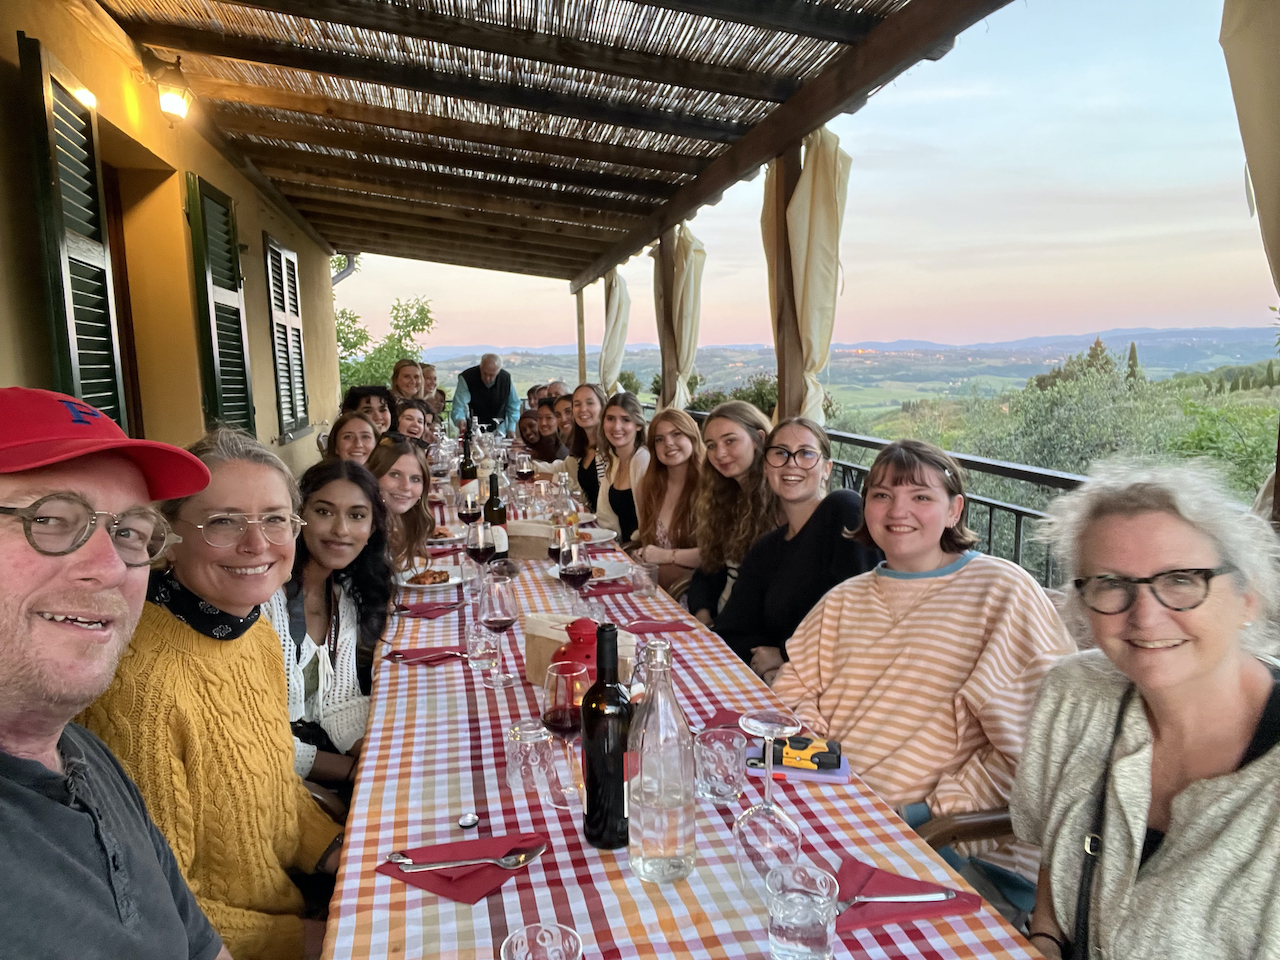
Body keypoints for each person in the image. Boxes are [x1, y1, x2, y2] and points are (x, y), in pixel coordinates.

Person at [79, 428, 344, 960]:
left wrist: (339, 850)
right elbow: (158, 905)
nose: (257, 544)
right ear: (167, 536)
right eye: (223, 522)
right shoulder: (138, 690)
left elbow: (275, 791)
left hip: (301, 903)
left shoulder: (254, 631)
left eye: (275, 519)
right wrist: (314, 940)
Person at [771, 439, 1073, 883]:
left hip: (942, 848)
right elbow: (793, 688)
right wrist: (819, 763)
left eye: (921, 497)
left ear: (955, 510)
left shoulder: (1000, 591)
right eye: (882, 495)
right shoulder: (844, 598)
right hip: (829, 813)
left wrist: (929, 815)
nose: (898, 511)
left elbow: (1037, 747)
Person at [1012, 461, 1280, 960]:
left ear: (1247, 597)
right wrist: (1043, 939)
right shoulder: (1074, 694)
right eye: (1111, 583)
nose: (1146, 616)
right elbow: (1056, 856)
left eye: (1181, 579)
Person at [0, 387, 230, 960]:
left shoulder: (81, 752)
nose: (108, 567)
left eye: (128, 532)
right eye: (48, 518)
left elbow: (200, 947)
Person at [716, 418, 882, 682]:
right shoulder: (767, 548)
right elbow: (731, 629)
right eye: (780, 453)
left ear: (827, 469)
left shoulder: (843, 511)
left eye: (806, 453)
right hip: (781, 687)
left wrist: (785, 654)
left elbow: (862, 619)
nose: (791, 463)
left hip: (845, 687)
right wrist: (770, 664)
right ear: (766, 467)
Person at [263, 460, 392, 788]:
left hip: (311, 761)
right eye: (324, 512)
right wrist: (354, 773)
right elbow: (252, 739)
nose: (341, 530)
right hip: (269, 780)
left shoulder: (343, 598)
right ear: (298, 517)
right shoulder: (264, 601)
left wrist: (376, 753)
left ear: (373, 527)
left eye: (357, 515)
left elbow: (340, 703)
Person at [687, 401, 778, 625]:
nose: (720, 453)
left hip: (746, 634)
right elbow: (709, 568)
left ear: (759, 439)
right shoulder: (725, 498)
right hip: (720, 624)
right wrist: (703, 611)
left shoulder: (778, 502)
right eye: (711, 445)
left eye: (730, 441)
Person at [634, 408, 704, 594]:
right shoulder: (646, 487)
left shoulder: (709, 487)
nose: (669, 444)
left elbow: (714, 556)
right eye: (659, 439)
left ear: (692, 437)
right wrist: (642, 554)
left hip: (695, 592)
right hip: (656, 587)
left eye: (676, 434)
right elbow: (647, 540)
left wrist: (665, 556)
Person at [365, 440, 436, 572]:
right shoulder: (366, 528)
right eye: (395, 474)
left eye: (415, 479)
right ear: (374, 476)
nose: (406, 486)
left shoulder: (399, 521)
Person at [595, 392, 650, 543]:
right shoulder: (614, 461)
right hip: (621, 548)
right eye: (610, 419)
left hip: (643, 551)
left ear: (638, 425)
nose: (616, 427)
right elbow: (606, 518)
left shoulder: (644, 461)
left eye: (626, 420)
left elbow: (652, 523)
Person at [558, 383, 608, 512]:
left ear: (603, 407)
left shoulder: (609, 450)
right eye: (577, 404)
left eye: (590, 403)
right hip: (591, 522)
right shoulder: (582, 450)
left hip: (610, 528)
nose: (583, 409)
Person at [450, 353, 519, 436]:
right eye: (485, 374)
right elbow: (459, 405)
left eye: (491, 375)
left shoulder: (506, 379)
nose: (487, 378)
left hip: (499, 431)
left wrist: (511, 428)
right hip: (474, 430)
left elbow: (513, 405)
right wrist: (459, 420)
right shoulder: (467, 378)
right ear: (480, 367)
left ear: (498, 371)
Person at [531, 397, 570, 462]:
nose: (543, 423)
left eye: (548, 418)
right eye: (539, 418)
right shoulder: (542, 445)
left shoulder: (565, 449)